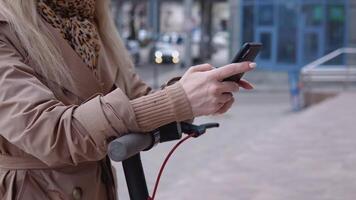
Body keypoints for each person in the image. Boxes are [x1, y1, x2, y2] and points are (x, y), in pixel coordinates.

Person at [0, 0, 255, 199]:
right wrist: (176, 100)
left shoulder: (91, 23)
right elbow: (49, 133)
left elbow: (139, 99)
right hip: (33, 191)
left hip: (99, 188)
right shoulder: (6, 26)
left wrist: (193, 94)